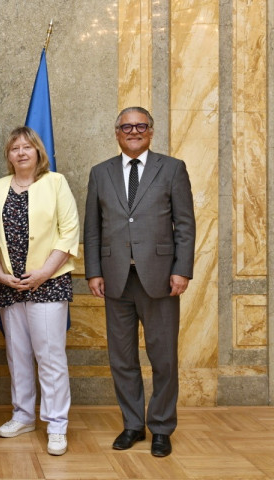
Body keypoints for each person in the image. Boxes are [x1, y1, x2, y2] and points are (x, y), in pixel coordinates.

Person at [83, 106, 196, 457]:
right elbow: (92, 228)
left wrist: (182, 269)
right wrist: (94, 271)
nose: (134, 131)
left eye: (141, 126)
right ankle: (133, 424)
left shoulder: (172, 168)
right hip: (116, 279)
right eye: (127, 126)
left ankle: (161, 427)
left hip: (161, 279)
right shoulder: (100, 173)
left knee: (163, 357)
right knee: (122, 358)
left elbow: (186, 225)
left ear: (151, 131)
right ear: (117, 132)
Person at [0, 126, 79, 456]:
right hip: (9, 286)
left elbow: (69, 232)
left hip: (49, 283)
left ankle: (56, 424)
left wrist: (43, 273)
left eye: (28, 147)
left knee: (50, 356)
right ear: (8, 155)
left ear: (39, 152)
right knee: (18, 354)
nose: (22, 152)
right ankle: (23, 415)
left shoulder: (55, 183)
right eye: (15, 148)